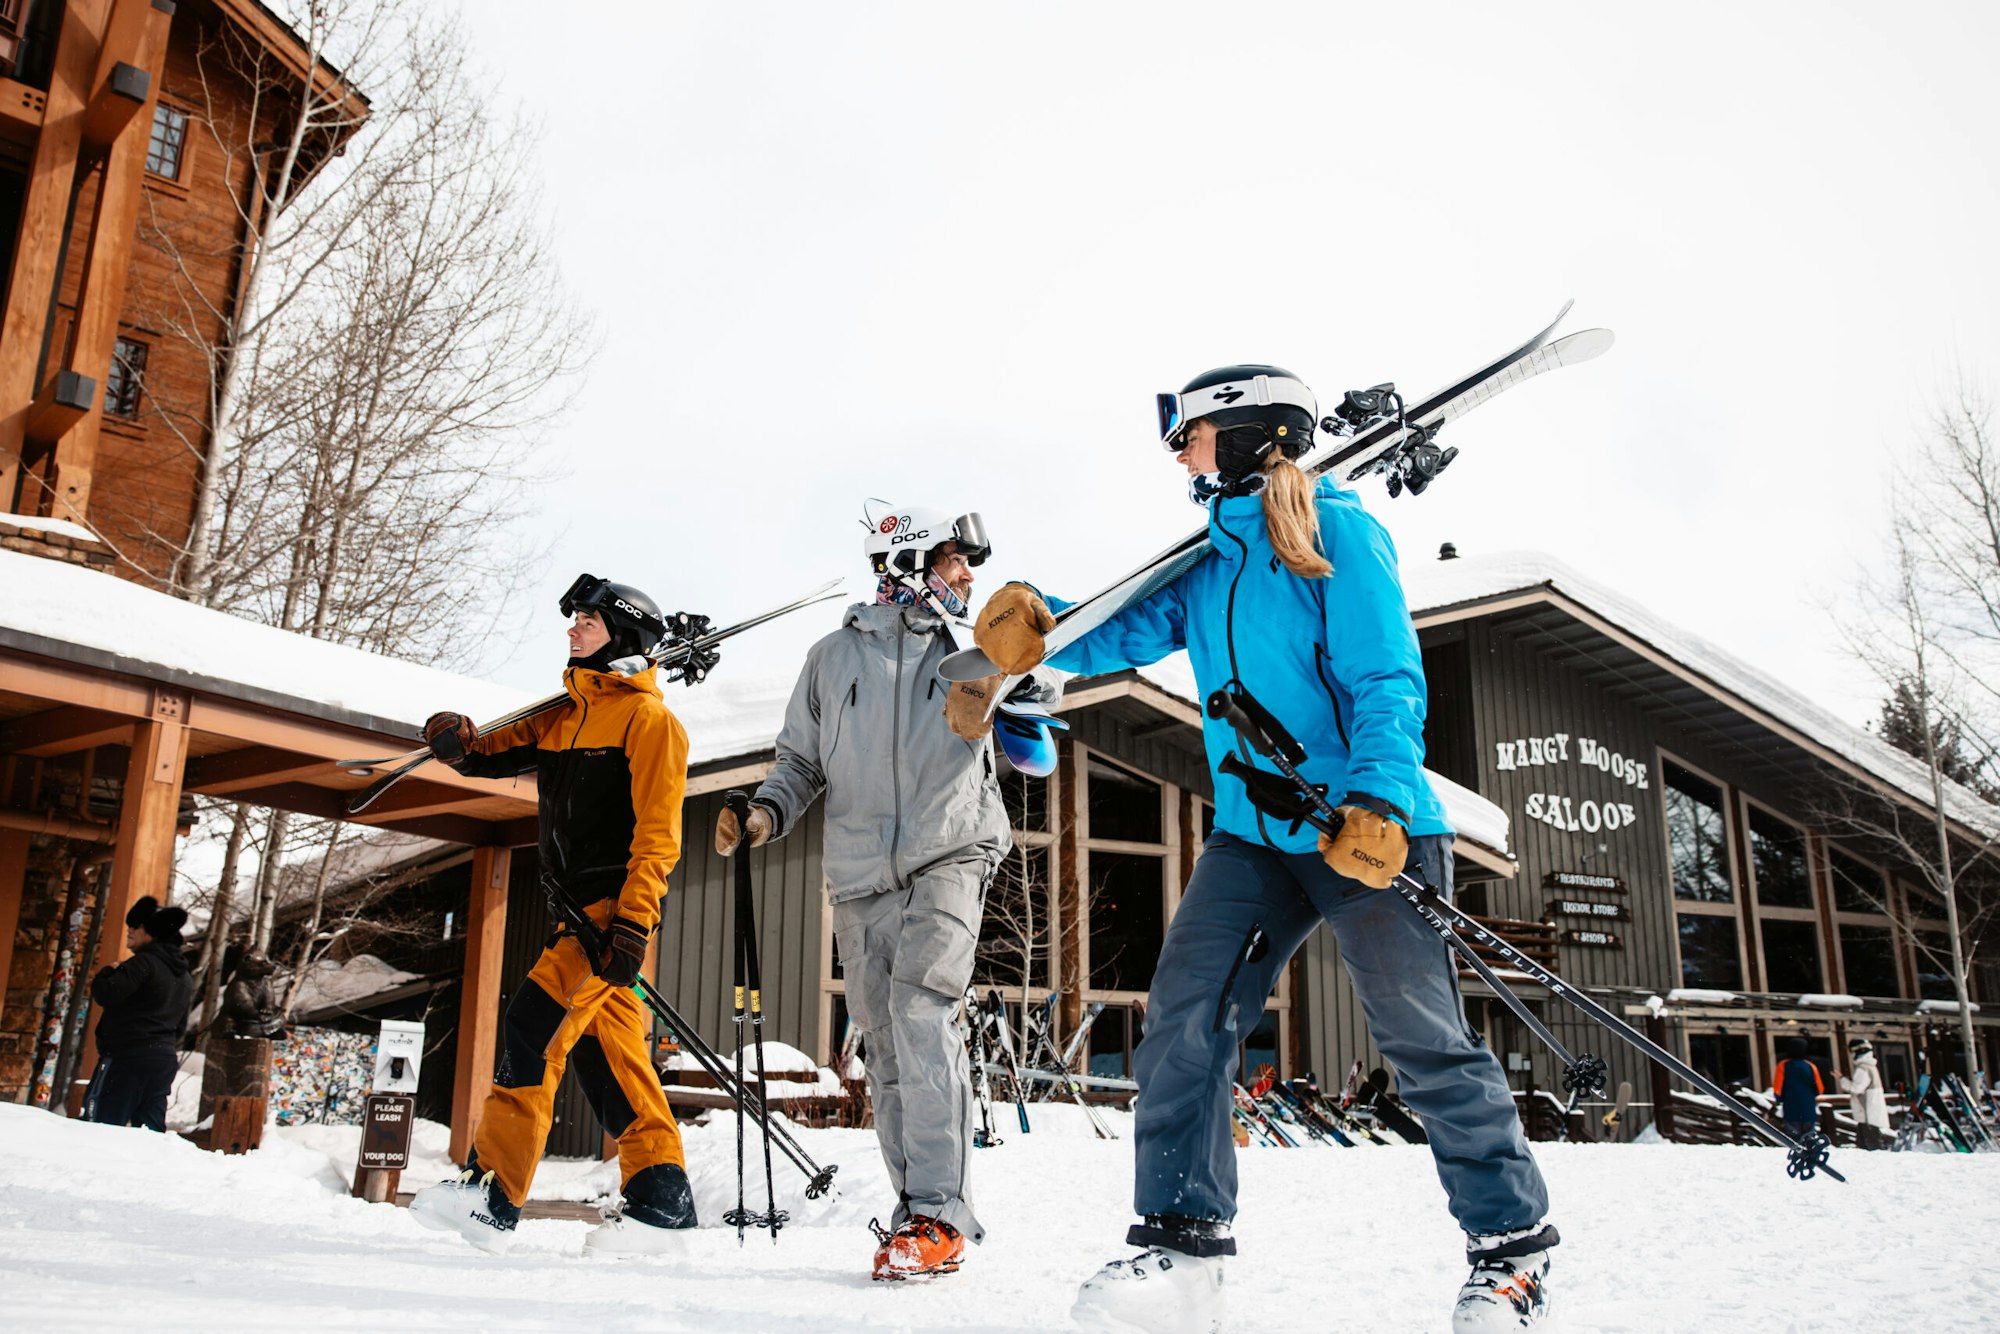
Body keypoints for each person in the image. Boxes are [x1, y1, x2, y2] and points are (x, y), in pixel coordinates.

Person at [972, 366, 1556, 1332]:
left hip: (1365, 828)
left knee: (1422, 1041)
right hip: (1255, 833)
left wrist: (1377, 796)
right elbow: (1123, 631)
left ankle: (1513, 1254)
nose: (1180, 457)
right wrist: (1042, 628)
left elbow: (1387, 675)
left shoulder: (1339, 531)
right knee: (1184, 1018)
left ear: (1248, 433)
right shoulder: (1209, 557)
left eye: (1191, 436)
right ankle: (1181, 1248)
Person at [713, 503, 1058, 1281]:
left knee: (923, 1012)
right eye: (953, 559)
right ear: (906, 562)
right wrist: (763, 815)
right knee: (885, 1045)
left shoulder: (975, 648)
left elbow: (1038, 738)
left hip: (952, 850)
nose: (966, 575)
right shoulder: (830, 660)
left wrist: (1017, 680)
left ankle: (941, 1214)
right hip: (860, 873)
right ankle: (914, 1216)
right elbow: (800, 764)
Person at [408, 574, 694, 1255]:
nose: (573, 630)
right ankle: (660, 1199)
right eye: (575, 621)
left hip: (607, 917)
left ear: (620, 636)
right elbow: (491, 750)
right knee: (607, 1055)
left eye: (587, 622)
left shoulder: (650, 722)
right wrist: (456, 740)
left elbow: (659, 837)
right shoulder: (564, 714)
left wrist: (633, 923)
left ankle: (492, 1193)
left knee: (532, 1029)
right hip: (574, 915)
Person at [83, 895, 193, 1131]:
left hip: (127, 1057)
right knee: (150, 1131)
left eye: (136, 926)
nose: (129, 930)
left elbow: (107, 993)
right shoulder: (184, 976)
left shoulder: (142, 963)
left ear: (152, 932)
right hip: (162, 1059)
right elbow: (181, 1025)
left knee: (99, 1126)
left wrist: (106, 972)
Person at [1840, 1038, 1891, 1150]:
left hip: (1867, 1111)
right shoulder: (1871, 1066)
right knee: (1870, 1141)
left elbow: (1856, 1088)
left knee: (1870, 1144)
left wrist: (1842, 1079)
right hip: (1872, 1111)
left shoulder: (1863, 1068)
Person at [1773, 1036, 1824, 1141]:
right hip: (1808, 1109)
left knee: (1793, 1139)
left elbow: (1778, 1089)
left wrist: (1780, 1099)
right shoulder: (1811, 1066)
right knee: (1809, 1139)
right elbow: (1819, 1089)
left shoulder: (1783, 1065)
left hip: (1791, 1109)